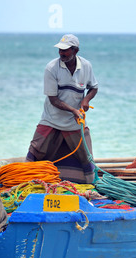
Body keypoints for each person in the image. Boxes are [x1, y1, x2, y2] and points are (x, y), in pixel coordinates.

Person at [26, 34, 98, 184]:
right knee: (36, 150)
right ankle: (27, 182)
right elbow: (53, 99)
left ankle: (89, 185)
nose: (61, 53)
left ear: (75, 50)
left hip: (75, 122)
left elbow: (94, 88)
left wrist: (86, 100)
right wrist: (73, 110)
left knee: (85, 156)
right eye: (60, 50)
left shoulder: (86, 66)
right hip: (51, 119)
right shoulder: (52, 68)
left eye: (65, 50)